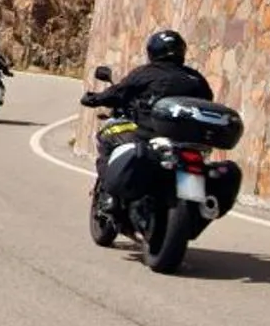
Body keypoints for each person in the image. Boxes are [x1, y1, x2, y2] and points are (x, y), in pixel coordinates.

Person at [81, 29, 216, 214]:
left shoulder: (147, 73)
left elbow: (119, 92)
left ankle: (109, 194)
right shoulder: (196, 79)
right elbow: (208, 101)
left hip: (148, 134)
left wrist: (94, 98)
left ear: (152, 51)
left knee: (106, 136)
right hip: (188, 142)